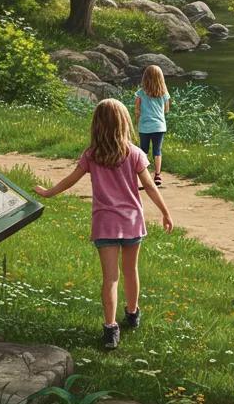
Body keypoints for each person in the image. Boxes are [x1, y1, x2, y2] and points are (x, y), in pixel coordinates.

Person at [34, 99, 173, 349]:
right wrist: (165, 212)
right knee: (131, 271)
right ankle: (132, 313)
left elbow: (69, 180)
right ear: (124, 123)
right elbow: (150, 186)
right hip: (131, 222)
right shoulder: (134, 153)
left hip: (104, 224)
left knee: (110, 277)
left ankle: (110, 329)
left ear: (97, 125)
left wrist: (48, 193)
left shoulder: (92, 155)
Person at [134, 64, 170, 187]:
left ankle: (144, 175)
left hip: (144, 126)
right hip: (159, 126)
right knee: (157, 150)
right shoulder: (164, 93)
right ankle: (158, 175)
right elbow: (166, 110)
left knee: (143, 151)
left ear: (145, 77)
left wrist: (136, 122)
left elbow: (137, 110)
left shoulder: (140, 93)